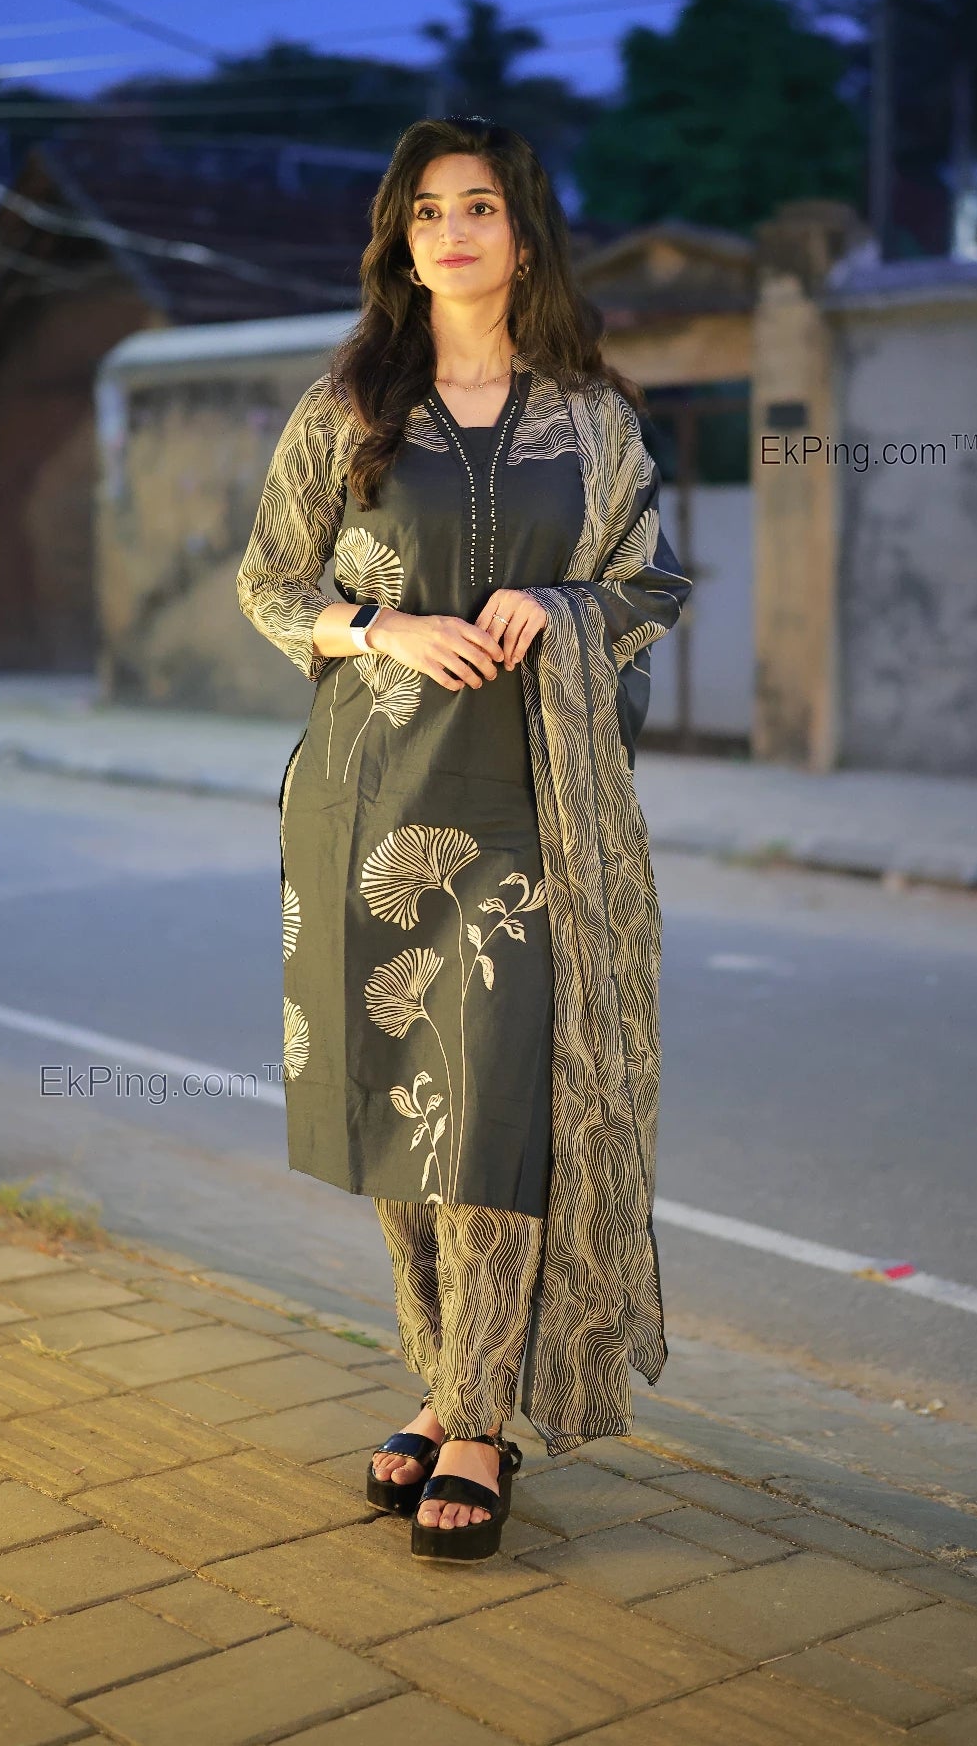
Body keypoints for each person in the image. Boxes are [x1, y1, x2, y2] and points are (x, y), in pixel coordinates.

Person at [237, 114, 690, 1560]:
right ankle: (443, 1382)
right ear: (400, 239)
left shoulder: (592, 422)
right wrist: (380, 625)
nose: (451, 229)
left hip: (527, 817)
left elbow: (654, 584)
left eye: (478, 205)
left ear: (520, 232)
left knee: (494, 1113)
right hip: (367, 807)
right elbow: (267, 584)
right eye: (425, 208)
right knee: (401, 1115)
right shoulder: (349, 410)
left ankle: (483, 1421)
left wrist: (561, 612)